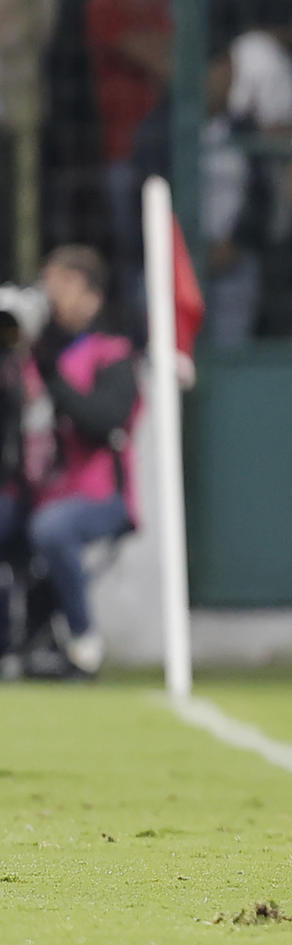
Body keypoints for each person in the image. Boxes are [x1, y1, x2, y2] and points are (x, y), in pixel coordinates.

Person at [2, 246, 141, 678]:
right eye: (49, 284)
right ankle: (9, 644)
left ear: (92, 296)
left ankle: (84, 641)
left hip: (99, 495)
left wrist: (50, 373)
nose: (53, 294)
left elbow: (104, 420)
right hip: (38, 493)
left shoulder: (110, 353)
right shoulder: (25, 356)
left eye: (64, 284)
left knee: (52, 528)